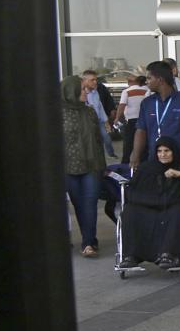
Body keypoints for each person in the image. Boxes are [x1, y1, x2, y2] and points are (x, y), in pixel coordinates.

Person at [117, 136, 180, 270]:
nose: (163, 154)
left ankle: (169, 254)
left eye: (167, 151)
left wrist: (179, 173)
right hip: (148, 204)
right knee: (129, 211)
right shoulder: (147, 167)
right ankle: (131, 255)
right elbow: (133, 189)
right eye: (159, 151)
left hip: (173, 204)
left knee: (179, 212)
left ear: (173, 151)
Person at [63, 75, 106, 258]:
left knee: (90, 203)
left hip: (91, 165)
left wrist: (102, 166)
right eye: (81, 89)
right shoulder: (56, 113)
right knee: (78, 204)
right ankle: (89, 238)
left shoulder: (89, 112)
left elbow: (98, 140)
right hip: (68, 167)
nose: (86, 91)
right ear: (70, 91)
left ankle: (88, 242)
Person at [131, 61, 180, 167]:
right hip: (154, 160)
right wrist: (135, 155)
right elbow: (141, 130)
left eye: (149, 78)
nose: (146, 82)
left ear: (160, 80)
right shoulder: (147, 103)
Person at [116, 74, 150, 164]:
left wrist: (117, 118)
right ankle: (143, 162)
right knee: (144, 143)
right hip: (145, 120)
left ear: (130, 82)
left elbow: (122, 105)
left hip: (131, 121)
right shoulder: (147, 90)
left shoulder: (126, 91)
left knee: (128, 144)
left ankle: (125, 163)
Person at [81, 70, 115, 159]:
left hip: (98, 121)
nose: (95, 82)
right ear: (85, 81)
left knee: (107, 138)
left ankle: (111, 154)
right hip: (87, 122)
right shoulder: (81, 93)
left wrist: (106, 121)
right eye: (92, 80)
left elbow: (99, 106)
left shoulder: (95, 92)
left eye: (96, 80)